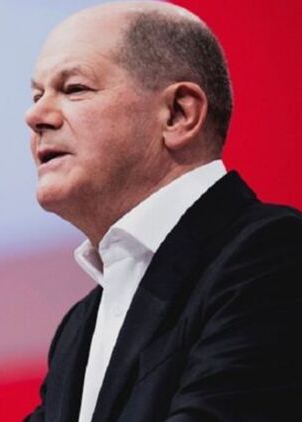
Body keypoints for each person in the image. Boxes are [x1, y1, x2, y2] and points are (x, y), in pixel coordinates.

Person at [22, 2, 302, 421]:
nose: (35, 116)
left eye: (75, 88)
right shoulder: (78, 329)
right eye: (37, 95)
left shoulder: (271, 256)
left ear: (178, 114)